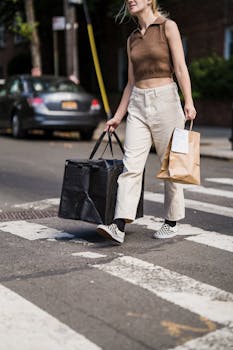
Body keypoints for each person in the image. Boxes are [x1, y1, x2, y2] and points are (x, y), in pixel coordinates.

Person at [97, 0, 196, 244]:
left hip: (166, 99)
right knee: (131, 165)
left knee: (171, 165)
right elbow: (130, 83)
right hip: (138, 104)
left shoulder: (167, 27)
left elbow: (181, 68)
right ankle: (118, 225)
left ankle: (171, 221)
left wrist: (189, 101)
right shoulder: (131, 39)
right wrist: (118, 116)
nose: (130, 0)